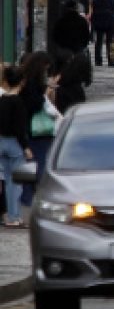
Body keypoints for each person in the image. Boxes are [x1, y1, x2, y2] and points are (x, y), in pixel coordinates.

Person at [16, 52, 56, 209]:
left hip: (30, 129)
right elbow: (35, 104)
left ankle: (26, 198)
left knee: (29, 165)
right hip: (36, 130)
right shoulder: (33, 85)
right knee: (38, 164)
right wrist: (46, 94)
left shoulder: (25, 81)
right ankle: (29, 199)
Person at [0, 65, 34, 228]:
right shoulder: (19, 102)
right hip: (15, 143)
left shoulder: (2, 100)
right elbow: (20, 129)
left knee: (6, 181)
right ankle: (15, 216)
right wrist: (26, 147)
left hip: (1, 142)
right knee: (17, 183)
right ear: (22, 82)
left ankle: (9, 216)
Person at [89, 0, 114, 67]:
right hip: (109, 23)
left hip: (99, 23)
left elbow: (92, 11)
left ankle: (98, 60)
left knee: (99, 42)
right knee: (109, 42)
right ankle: (111, 61)